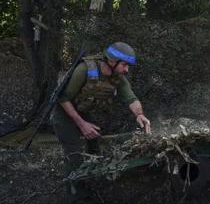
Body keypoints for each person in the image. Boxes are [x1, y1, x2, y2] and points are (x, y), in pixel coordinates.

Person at [53, 42, 151, 203]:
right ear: (112, 61)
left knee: (94, 149)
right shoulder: (84, 70)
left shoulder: (117, 77)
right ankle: (76, 197)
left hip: (84, 113)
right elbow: (63, 98)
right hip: (65, 114)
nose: (126, 69)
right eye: (125, 64)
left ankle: (92, 185)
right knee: (75, 156)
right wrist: (82, 125)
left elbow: (130, 98)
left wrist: (140, 115)